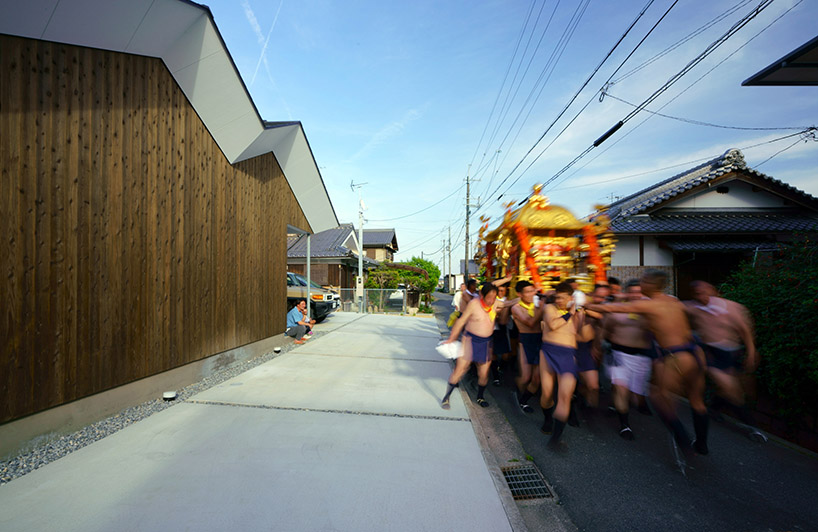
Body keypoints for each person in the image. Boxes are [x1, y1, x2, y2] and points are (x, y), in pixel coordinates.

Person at [586, 270, 709, 459]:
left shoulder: (649, 305)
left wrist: (585, 304)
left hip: (676, 356)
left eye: (643, 281)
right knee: (697, 401)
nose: (641, 284)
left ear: (651, 284)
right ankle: (701, 445)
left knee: (659, 398)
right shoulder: (673, 301)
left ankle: (684, 442)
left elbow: (613, 309)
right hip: (695, 352)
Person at [686, 281, 766, 442]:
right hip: (710, 353)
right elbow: (674, 309)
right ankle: (754, 427)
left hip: (733, 351)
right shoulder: (693, 308)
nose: (702, 296)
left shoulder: (731, 308)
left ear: (714, 291)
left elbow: (745, 330)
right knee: (731, 389)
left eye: (705, 292)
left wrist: (751, 352)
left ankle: (714, 409)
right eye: (698, 293)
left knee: (741, 389)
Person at [440, 278, 513, 409]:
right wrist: (452, 338)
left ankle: (480, 396)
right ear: (481, 295)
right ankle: (446, 397)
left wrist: (526, 297)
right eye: (489, 297)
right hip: (470, 340)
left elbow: (509, 303)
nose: (491, 300)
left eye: (494, 297)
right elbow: (461, 321)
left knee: (483, 373)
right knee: (460, 369)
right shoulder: (474, 304)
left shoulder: (495, 303)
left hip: (486, 343)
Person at [603, 280, 654, 440]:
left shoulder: (649, 311)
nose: (635, 295)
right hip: (618, 355)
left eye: (638, 292)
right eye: (632, 291)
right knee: (620, 388)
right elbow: (606, 330)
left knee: (634, 395)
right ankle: (624, 425)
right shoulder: (617, 311)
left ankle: (635, 404)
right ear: (627, 293)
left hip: (641, 357)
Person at [539, 281, 583, 448]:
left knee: (565, 396)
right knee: (547, 395)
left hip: (568, 354)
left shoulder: (577, 313)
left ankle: (556, 438)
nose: (559, 301)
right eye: (557, 297)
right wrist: (569, 313)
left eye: (563, 298)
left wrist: (579, 314)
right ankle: (548, 418)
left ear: (571, 298)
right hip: (548, 352)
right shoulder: (550, 309)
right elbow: (553, 325)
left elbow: (581, 334)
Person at [510, 280, 544, 414]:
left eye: (532, 291)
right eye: (528, 292)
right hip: (525, 341)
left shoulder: (538, 304)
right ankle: (518, 391)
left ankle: (523, 400)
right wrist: (541, 309)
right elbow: (529, 323)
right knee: (525, 377)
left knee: (536, 377)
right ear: (519, 294)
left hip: (540, 340)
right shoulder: (516, 307)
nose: (531, 294)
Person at [491, 283, 513, 386]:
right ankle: (496, 377)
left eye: (502, 290)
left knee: (505, 355)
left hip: (503, 329)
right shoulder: (492, 300)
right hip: (492, 330)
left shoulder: (508, 300)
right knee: (493, 354)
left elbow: (503, 319)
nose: (500, 292)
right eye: (499, 290)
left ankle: (500, 369)